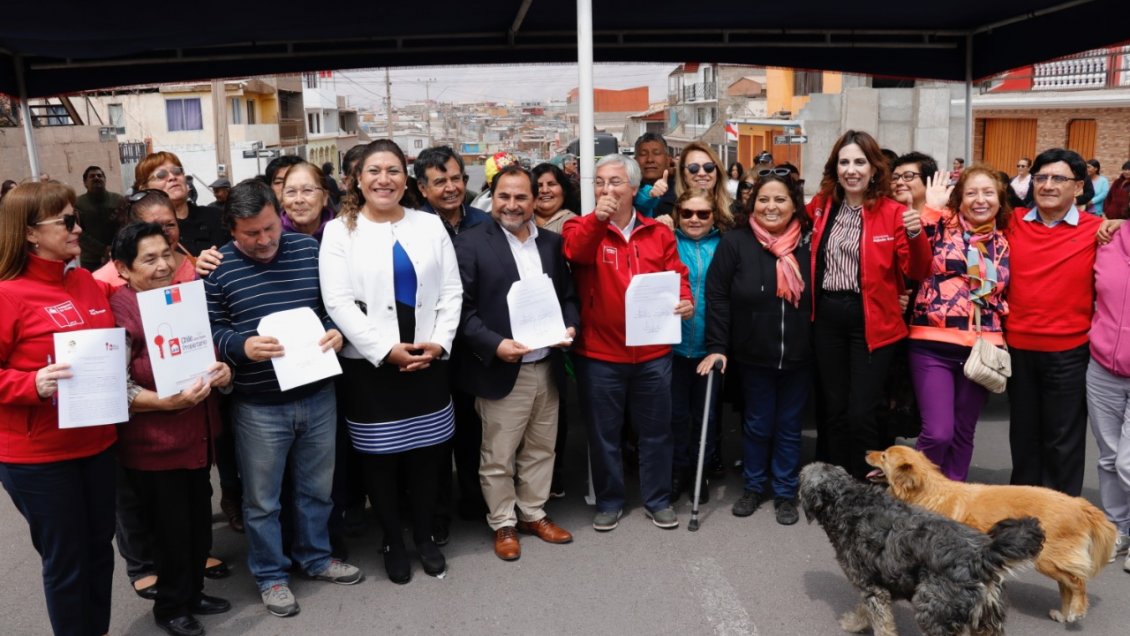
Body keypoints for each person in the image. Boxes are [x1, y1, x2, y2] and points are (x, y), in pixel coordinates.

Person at [204, 179, 362, 617]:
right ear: (230, 229)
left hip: (318, 393)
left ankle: (315, 557)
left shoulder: (308, 251)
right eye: (250, 233)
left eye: (270, 227)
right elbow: (211, 330)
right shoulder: (216, 269)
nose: (264, 240)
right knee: (262, 502)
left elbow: (335, 304)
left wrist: (336, 328)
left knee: (317, 490)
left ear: (279, 216)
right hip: (258, 405)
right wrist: (241, 346)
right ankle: (271, 576)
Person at [319, 139, 461, 584]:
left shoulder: (429, 224)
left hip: (427, 360)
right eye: (374, 171)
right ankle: (393, 543)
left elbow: (452, 291)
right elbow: (338, 302)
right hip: (370, 367)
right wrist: (385, 352)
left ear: (407, 179)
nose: (385, 179)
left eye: (394, 170)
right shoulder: (339, 231)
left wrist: (438, 344)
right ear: (357, 180)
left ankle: (423, 537)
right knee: (379, 461)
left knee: (426, 456)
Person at [0, 182, 118, 636]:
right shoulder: (9, 294)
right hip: (38, 457)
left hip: (97, 442)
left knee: (99, 550)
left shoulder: (85, 280)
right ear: (30, 232)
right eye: (66, 221)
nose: (78, 227)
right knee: (66, 561)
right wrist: (30, 383)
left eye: (76, 218)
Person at [109, 222, 233, 636]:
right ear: (123, 269)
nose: (163, 265)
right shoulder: (120, 310)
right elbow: (116, 384)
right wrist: (161, 402)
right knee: (170, 532)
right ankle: (170, 607)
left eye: (166, 254)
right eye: (149, 259)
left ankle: (192, 592)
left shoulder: (181, 299)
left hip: (196, 436)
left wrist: (222, 372)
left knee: (198, 523)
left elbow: (207, 349)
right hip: (154, 446)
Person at [454, 164, 579, 561]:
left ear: (533, 200)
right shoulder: (470, 244)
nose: (512, 205)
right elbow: (462, 312)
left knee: (542, 449)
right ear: (492, 197)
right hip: (502, 367)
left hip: (547, 365)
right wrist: (495, 345)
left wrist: (571, 327)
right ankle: (503, 522)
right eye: (504, 196)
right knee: (498, 454)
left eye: (521, 197)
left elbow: (568, 297)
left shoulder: (552, 245)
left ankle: (533, 513)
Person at [562, 154, 693, 532]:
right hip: (600, 355)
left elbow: (677, 275)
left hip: (653, 353)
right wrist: (598, 219)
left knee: (656, 432)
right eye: (600, 182)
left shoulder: (658, 232)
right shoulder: (581, 227)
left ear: (635, 189)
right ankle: (610, 501)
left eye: (616, 182)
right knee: (605, 435)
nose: (606, 189)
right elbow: (574, 253)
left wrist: (686, 299)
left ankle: (657, 500)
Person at [808, 130, 931, 480]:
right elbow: (780, 222)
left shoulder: (893, 212)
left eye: (859, 162)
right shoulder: (821, 205)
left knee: (862, 410)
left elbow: (918, 270)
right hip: (827, 318)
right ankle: (833, 483)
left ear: (874, 168)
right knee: (833, 409)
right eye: (844, 162)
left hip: (873, 321)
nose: (851, 169)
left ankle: (864, 483)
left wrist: (914, 232)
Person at [702, 173, 813, 524]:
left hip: (799, 355)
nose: (771, 206)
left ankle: (783, 492)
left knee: (789, 426)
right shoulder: (736, 243)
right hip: (752, 354)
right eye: (764, 199)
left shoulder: (809, 244)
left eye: (780, 199)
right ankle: (753, 486)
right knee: (758, 423)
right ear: (752, 203)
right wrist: (718, 345)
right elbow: (717, 296)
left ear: (795, 205)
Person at [1005, 148, 1103, 497]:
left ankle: (1062, 521)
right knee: (1024, 438)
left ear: (1078, 187)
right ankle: (1022, 517)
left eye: (1058, 178)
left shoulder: (1098, 230)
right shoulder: (1011, 222)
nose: (1047, 185)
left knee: (1063, 442)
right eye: (1041, 177)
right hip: (1017, 349)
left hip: (1069, 352)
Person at [907, 167, 1011, 482]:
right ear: (960, 198)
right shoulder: (940, 223)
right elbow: (914, 262)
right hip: (932, 342)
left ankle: (951, 502)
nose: (980, 200)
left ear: (1000, 198)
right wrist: (930, 209)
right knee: (938, 433)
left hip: (982, 347)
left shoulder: (1005, 239)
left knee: (963, 434)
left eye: (988, 193)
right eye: (971, 193)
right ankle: (909, 496)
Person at [413, 145, 490, 540]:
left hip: (477, 346)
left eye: (456, 178)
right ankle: (436, 515)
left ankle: (476, 502)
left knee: (475, 432)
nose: (451, 188)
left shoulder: (484, 221)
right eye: (440, 181)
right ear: (422, 188)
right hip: (432, 349)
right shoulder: (412, 227)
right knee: (435, 440)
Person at [667, 189, 729, 505]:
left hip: (711, 346)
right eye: (688, 213)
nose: (694, 219)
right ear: (678, 214)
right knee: (676, 415)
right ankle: (677, 472)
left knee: (705, 416)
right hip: (674, 347)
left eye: (702, 214)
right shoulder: (667, 241)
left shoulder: (724, 245)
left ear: (713, 216)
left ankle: (698, 472)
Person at [135, 152, 228, 257]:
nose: (172, 177)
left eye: (177, 171)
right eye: (161, 175)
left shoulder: (217, 217)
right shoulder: (143, 230)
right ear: (144, 188)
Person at [75, 165, 125, 270]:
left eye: (100, 175)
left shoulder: (118, 200)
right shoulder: (78, 204)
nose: (96, 178)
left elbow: (124, 227)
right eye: (92, 176)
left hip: (117, 256)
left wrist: (113, 248)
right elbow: (79, 233)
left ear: (105, 180)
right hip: (90, 259)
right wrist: (103, 250)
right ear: (85, 183)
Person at [675, 142, 732, 222]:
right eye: (693, 168)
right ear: (683, 175)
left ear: (717, 172)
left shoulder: (736, 212)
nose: (702, 173)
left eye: (708, 167)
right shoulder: (671, 211)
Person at [633, 133, 676, 217]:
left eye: (656, 153)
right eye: (643, 154)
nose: (650, 160)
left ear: (668, 160)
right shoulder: (628, 190)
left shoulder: (681, 189)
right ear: (635, 161)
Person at [531, 163, 578, 233]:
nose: (545, 190)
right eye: (539, 185)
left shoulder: (572, 223)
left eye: (551, 184)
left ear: (564, 190)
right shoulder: (521, 220)